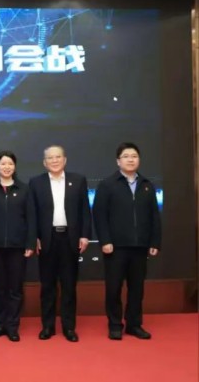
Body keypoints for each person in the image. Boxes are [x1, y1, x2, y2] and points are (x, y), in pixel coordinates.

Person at [93, 142, 161, 340]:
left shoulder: (147, 185)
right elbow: (99, 215)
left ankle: (134, 324)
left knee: (137, 289)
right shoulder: (107, 184)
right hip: (115, 247)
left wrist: (155, 242)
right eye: (126, 156)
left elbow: (154, 216)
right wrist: (105, 240)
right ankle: (115, 324)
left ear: (139, 160)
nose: (130, 159)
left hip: (140, 246)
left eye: (134, 156)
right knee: (114, 288)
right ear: (118, 161)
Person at [29, 145, 91, 342]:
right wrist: (34, 237)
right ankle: (47, 326)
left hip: (70, 239)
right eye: (50, 158)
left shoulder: (78, 180)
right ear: (44, 162)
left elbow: (85, 210)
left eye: (58, 157)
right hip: (47, 239)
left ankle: (69, 327)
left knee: (69, 285)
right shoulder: (36, 183)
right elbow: (32, 214)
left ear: (64, 160)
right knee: (47, 286)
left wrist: (84, 235)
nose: (54, 160)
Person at [0, 151, 36, 342]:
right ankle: (0, 324)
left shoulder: (24, 189)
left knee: (15, 288)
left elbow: (31, 218)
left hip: (18, 247)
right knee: (0, 287)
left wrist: (30, 242)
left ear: (15, 166)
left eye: (10, 164)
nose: (7, 167)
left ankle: (13, 326)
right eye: (3, 164)